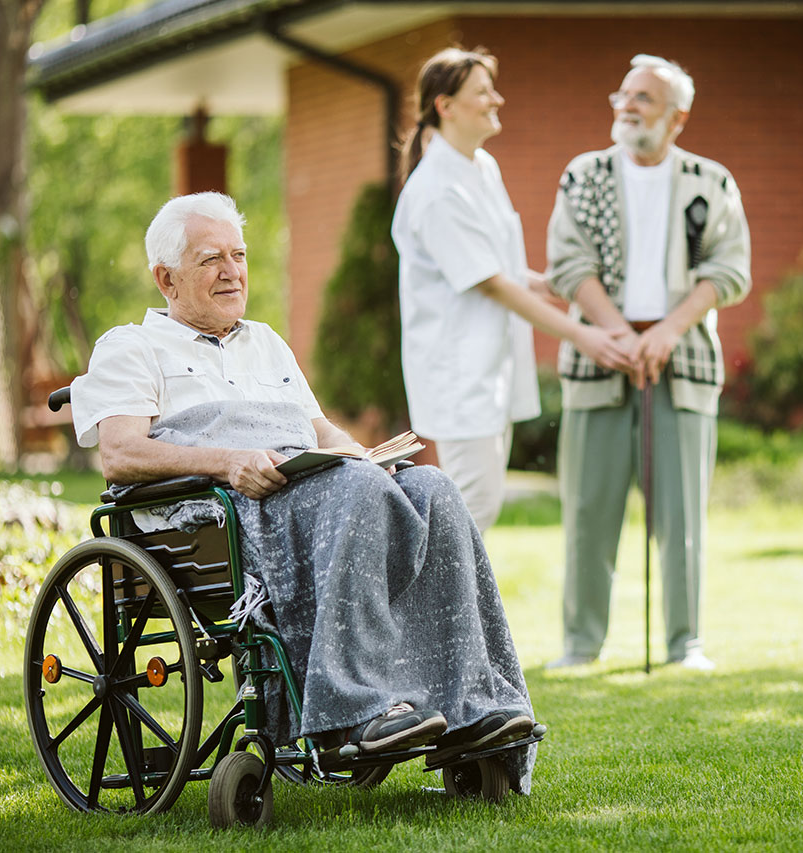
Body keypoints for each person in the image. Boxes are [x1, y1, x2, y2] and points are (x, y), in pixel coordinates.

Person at [69, 192, 537, 793]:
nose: (232, 271)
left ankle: (474, 704)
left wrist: (365, 459)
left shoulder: (267, 343)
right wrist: (228, 461)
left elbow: (321, 432)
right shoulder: (130, 348)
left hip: (321, 489)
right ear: (166, 278)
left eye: (238, 255)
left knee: (434, 488)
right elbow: (121, 454)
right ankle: (351, 713)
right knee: (355, 492)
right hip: (223, 515)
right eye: (211, 258)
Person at [544, 55, 751, 671]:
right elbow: (567, 264)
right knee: (587, 511)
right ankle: (581, 646)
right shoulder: (583, 176)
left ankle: (685, 644)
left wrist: (664, 331)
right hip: (598, 355)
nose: (627, 106)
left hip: (680, 358)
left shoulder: (711, 181)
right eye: (624, 95)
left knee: (683, 514)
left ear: (677, 117)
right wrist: (616, 333)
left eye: (644, 98)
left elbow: (729, 269)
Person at [392, 47, 633, 532]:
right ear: (446, 106)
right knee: (471, 512)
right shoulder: (437, 189)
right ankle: (434, 607)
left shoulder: (481, 167)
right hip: (459, 375)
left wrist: (559, 285)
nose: (496, 100)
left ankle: (456, 607)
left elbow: (500, 266)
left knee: (477, 510)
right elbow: (492, 285)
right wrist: (583, 336)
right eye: (483, 92)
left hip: (490, 368)